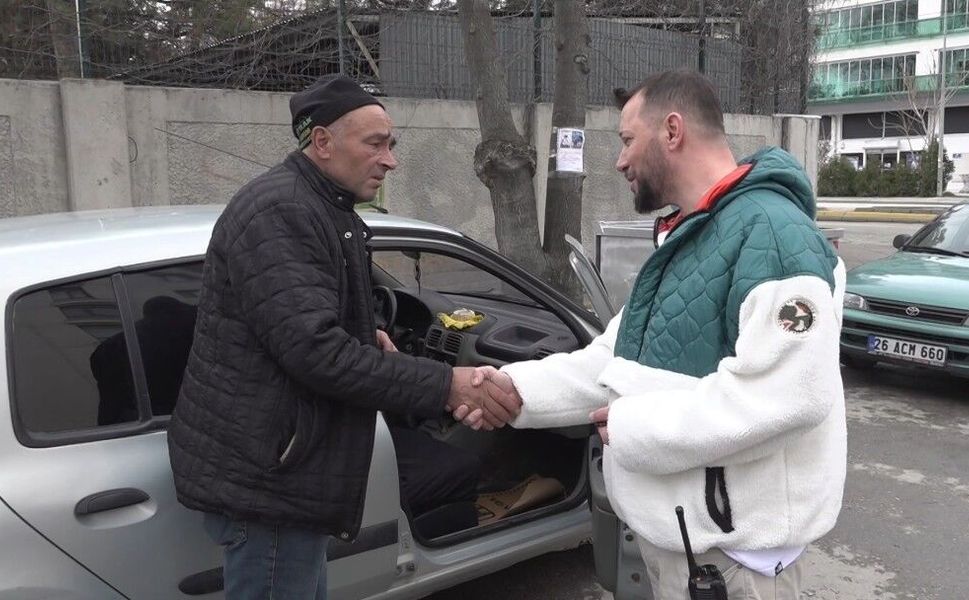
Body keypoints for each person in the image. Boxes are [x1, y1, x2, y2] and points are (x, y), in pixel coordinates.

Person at [463, 70, 847, 600]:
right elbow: (613, 360)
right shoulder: (692, 234)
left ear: (672, 131)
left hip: (735, 566)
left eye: (626, 140)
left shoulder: (773, 236)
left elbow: (785, 399)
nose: (619, 160)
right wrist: (514, 389)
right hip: (687, 550)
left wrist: (631, 424)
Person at [167, 75, 519, 600]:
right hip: (274, 481)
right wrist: (448, 384)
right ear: (323, 143)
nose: (390, 160)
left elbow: (301, 316)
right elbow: (317, 353)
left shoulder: (322, 207)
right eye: (374, 144)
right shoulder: (282, 212)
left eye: (390, 145)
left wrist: (366, 333)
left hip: (285, 472)